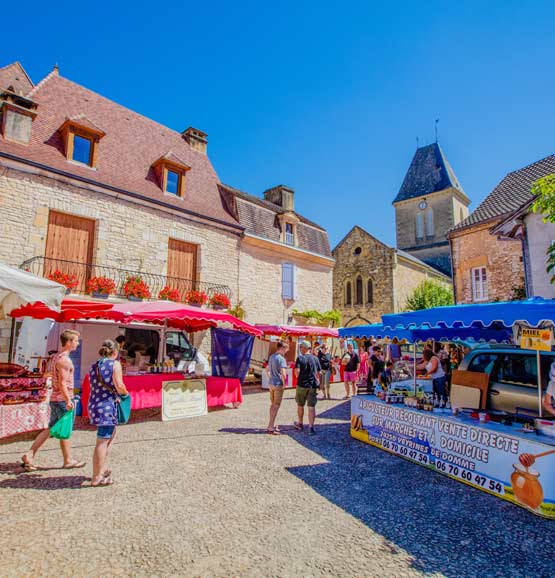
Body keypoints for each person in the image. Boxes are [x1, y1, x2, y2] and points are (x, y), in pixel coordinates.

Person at [21, 330, 85, 471]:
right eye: (75, 341)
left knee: (53, 428)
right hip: (62, 398)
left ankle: (31, 454)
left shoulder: (56, 357)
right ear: (69, 342)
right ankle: (66, 460)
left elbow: (51, 375)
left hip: (56, 397)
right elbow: (62, 382)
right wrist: (69, 400)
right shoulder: (64, 360)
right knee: (64, 428)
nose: (77, 343)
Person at [88, 339, 129, 486]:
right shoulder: (114, 364)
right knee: (102, 441)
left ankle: (102, 468)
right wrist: (126, 394)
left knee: (110, 436)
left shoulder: (94, 365)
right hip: (106, 406)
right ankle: (96, 477)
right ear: (115, 352)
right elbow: (119, 385)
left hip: (94, 404)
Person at [294, 340, 321, 435]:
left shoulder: (300, 358)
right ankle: (311, 427)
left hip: (302, 384)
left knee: (300, 404)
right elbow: (319, 373)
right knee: (311, 407)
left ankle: (300, 423)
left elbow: (296, 371)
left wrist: (299, 376)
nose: (300, 349)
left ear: (305, 348)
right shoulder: (315, 358)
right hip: (313, 385)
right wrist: (319, 383)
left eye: (301, 347)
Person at [266, 341, 289, 434]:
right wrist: (284, 384)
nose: (286, 351)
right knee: (276, 405)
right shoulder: (281, 359)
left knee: (272, 404)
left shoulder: (271, 357)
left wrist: (269, 378)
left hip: (271, 383)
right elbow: (283, 373)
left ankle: (271, 424)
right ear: (282, 348)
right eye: (286, 349)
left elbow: (266, 369)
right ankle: (270, 426)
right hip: (278, 384)